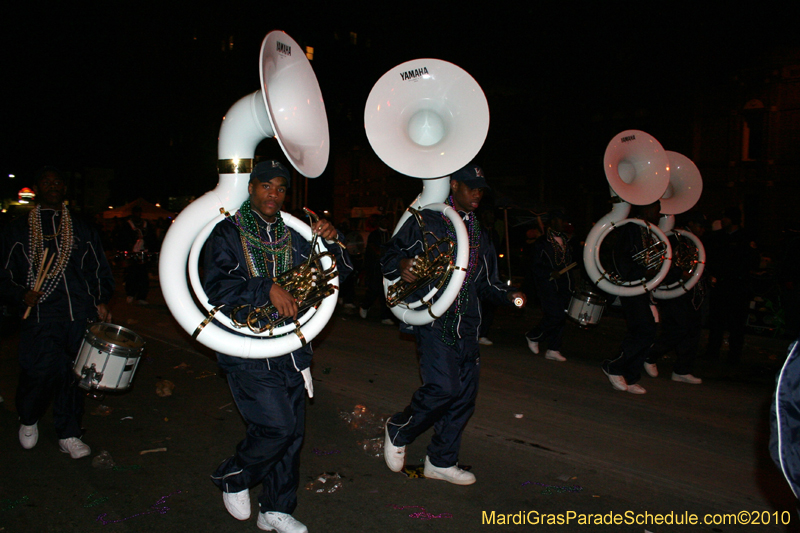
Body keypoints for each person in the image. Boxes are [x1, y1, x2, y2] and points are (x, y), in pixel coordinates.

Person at [202, 160, 352, 533]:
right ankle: (233, 476)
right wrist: (264, 287)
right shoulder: (226, 232)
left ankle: (275, 509)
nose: (273, 193)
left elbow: (335, 274)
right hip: (247, 350)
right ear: (251, 188)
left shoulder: (296, 233)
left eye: (281, 188)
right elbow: (215, 286)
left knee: (293, 435)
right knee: (277, 428)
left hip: (291, 348)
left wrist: (332, 241)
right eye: (266, 185)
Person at [381, 164, 525, 485]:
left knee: (464, 396)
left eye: (481, 190)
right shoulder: (428, 219)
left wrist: (510, 294)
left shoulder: (480, 234)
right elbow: (389, 255)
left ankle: (441, 461)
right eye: (471, 187)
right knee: (443, 388)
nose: (477, 194)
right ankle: (399, 429)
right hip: (434, 321)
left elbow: (487, 283)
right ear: (454, 185)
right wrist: (403, 264)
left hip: (468, 325)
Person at [0, 166, 114, 458]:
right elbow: (4, 274)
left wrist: (101, 299)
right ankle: (29, 416)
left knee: (74, 376)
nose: (53, 185)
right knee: (39, 372)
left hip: (79, 314)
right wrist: (20, 294)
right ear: (37, 188)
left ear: (64, 188)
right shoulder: (18, 228)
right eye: (46, 181)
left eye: (58, 181)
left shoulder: (81, 226)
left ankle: (69, 432)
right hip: (40, 315)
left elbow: (98, 267)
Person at [601, 201, 662, 395]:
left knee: (648, 330)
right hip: (632, 286)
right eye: (655, 208)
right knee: (643, 328)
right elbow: (622, 258)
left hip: (643, 287)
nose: (658, 213)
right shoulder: (632, 228)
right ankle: (614, 366)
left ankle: (631, 375)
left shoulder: (648, 231)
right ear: (644, 208)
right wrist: (644, 271)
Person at [642, 211, 707, 384]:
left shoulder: (694, 241)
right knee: (679, 328)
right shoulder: (676, 238)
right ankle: (650, 354)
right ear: (691, 224)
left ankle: (682, 370)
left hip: (692, 292)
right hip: (675, 290)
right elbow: (664, 262)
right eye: (699, 226)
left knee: (693, 330)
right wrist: (680, 273)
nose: (702, 230)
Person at [704, 207, 760, 364]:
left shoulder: (745, 238)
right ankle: (712, 352)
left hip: (738, 286)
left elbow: (753, 261)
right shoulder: (718, 237)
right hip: (721, 285)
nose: (723, 221)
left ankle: (734, 355)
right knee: (716, 321)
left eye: (726, 218)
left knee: (737, 323)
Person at [524, 209, 574, 361]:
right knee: (555, 315)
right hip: (548, 285)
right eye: (560, 220)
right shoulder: (542, 242)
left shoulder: (566, 241)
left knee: (561, 317)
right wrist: (550, 272)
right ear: (552, 222)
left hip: (564, 285)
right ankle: (534, 335)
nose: (563, 224)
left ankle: (553, 348)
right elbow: (535, 265)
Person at [358, 214, 394, 325]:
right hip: (375, 267)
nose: (385, 223)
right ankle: (364, 306)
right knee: (374, 289)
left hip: (387, 267)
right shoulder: (374, 235)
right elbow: (374, 250)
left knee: (386, 291)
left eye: (387, 221)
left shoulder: (390, 235)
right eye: (383, 220)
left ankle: (385, 316)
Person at [122, 205, 151, 304]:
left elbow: (152, 239)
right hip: (132, 253)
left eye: (139, 213)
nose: (138, 215)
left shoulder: (146, 224)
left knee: (143, 276)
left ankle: (141, 297)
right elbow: (122, 239)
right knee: (131, 275)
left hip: (143, 253)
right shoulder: (127, 225)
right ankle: (130, 294)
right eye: (136, 213)